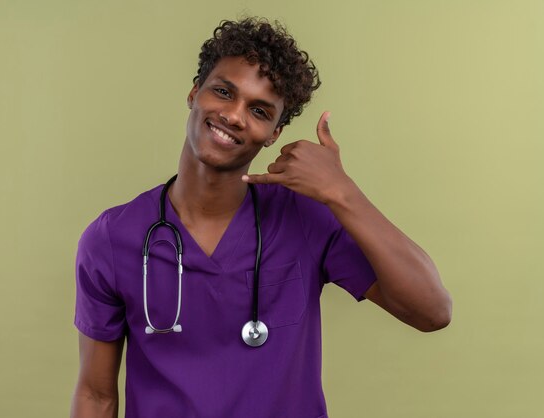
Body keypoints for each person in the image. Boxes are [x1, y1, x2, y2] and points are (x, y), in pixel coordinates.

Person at [70, 17, 452, 418]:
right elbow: (96, 396)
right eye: (223, 92)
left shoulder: (305, 218)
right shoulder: (113, 239)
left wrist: (343, 192)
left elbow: (432, 312)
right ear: (194, 92)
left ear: (274, 132)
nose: (235, 116)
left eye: (258, 110)